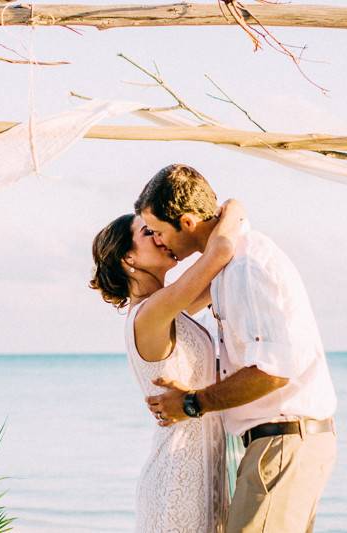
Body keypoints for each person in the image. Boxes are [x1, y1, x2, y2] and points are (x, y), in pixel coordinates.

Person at [136, 164, 338, 533]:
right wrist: (231, 215)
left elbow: (274, 370)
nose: (158, 240)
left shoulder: (247, 267)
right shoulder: (231, 263)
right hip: (280, 443)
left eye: (159, 231)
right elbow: (183, 302)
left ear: (186, 222)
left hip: (284, 441)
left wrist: (193, 403)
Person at [89, 199, 246, 532]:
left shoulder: (172, 307)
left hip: (204, 475)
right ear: (128, 257)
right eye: (149, 233)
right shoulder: (150, 314)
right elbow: (218, 254)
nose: (161, 238)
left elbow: (218, 262)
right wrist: (232, 208)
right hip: (178, 481)